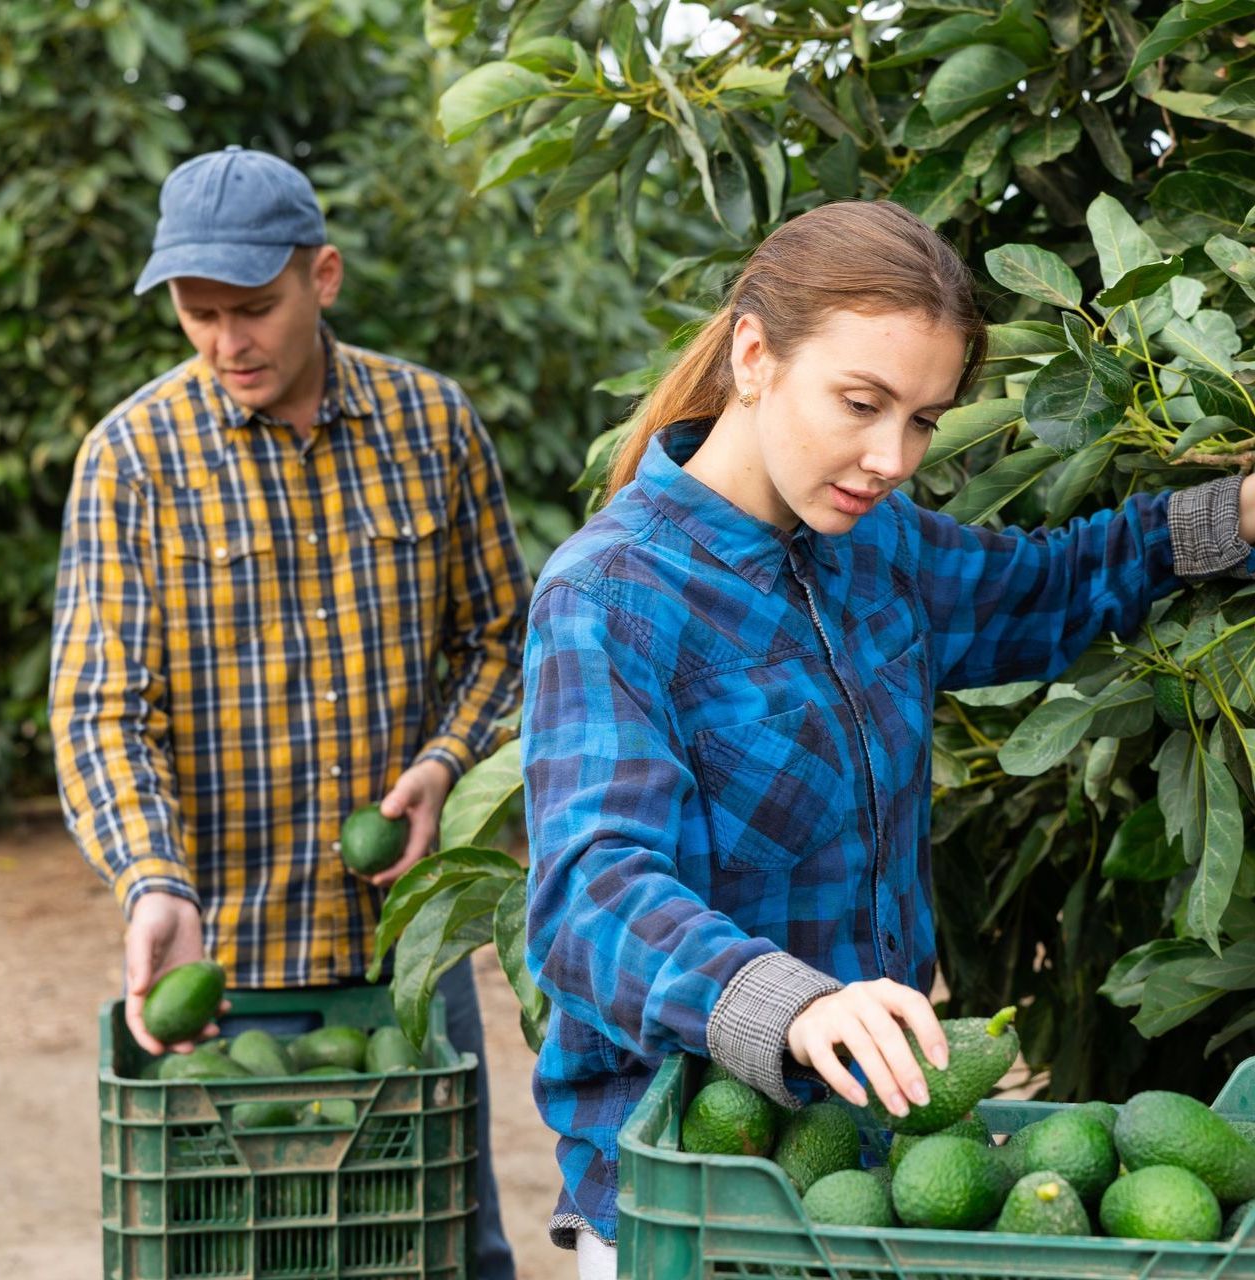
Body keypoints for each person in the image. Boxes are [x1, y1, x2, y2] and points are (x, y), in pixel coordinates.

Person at [518, 199, 1255, 1276]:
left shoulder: (874, 547)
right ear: (754, 354)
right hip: (695, 1189)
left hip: (875, 1170)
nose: (889, 455)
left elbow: (1037, 589)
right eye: (860, 403)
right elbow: (593, 893)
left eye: (919, 418)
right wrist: (790, 999)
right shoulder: (612, 592)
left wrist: (1230, 515)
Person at [49, 146, 530, 1280]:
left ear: (323, 275)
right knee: (228, 1255)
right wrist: (153, 882)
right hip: (226, 963)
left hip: (402, 953)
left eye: (252, 308)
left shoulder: (432, 425)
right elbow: (98, 711)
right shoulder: (134, 458)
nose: (226, 343)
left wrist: (444, 763)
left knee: (439, 1249)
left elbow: (503, 639)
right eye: (197, 313)